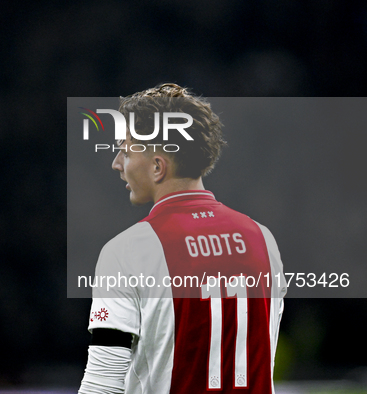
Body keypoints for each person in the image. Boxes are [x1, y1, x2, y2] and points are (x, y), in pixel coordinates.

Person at [78, 83, 286, 393]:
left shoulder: (126, 251)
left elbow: (102, 384)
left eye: (125, 150)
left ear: (158, 166)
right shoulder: (263, 239)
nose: (117, 164)